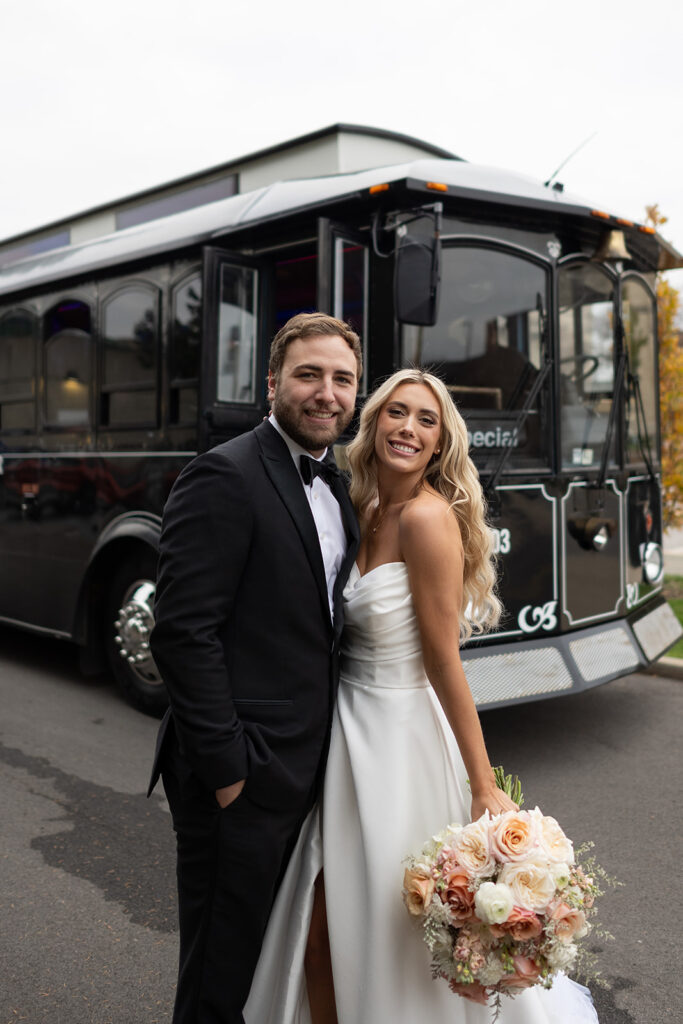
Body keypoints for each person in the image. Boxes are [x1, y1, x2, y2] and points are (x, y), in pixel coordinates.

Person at [244, 368, 598, 1023]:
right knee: (320, 929)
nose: (407, 428)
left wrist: (482, 781)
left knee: (385, 927)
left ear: (439, 445)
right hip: (344, 736)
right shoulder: (361, 505)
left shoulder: (428, 519)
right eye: (396, 413)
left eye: (425, 421)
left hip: (401, 742)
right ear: (373, 423)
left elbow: (443, 661)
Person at [148, 312, 362, 1024]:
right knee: (218, 978)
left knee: (267, 967)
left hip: (306, 770)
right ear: (271, 384)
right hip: (240, 779)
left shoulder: (339, 486)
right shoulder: (225, 474)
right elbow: (183, 632)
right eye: (308, 375)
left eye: (341, 379)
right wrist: (229, 774)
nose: (325, 393)